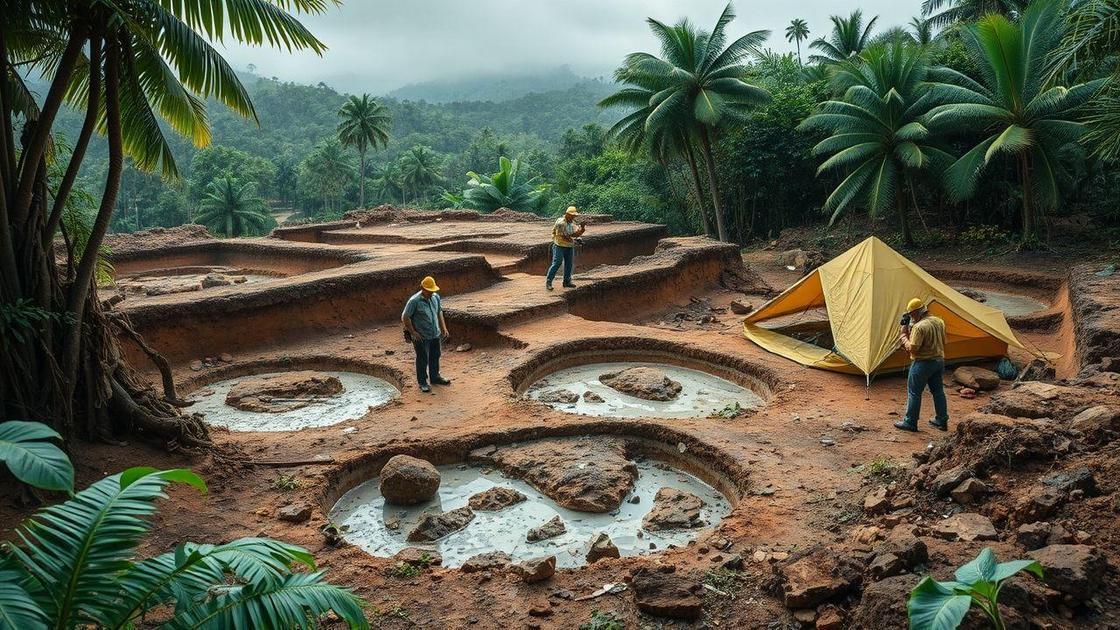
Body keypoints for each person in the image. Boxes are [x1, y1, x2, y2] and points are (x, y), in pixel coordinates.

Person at [894, 297, 949, 432]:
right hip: (939, 361)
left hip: (923, 363)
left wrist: (903, 335)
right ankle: (942, 420)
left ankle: (910, 422)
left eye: (911, 314)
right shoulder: (939, 321)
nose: (911, 317)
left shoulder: (919, 327)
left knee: (914, 392)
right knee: (938, 391)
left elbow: (913, 348)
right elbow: (944, 341)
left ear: (917, 312)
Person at [401, 276, 451, 393]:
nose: (431, 293)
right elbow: (405, 317)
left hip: (435, 334)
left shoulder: (435, 297)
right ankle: (422, 382)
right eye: (429, 291)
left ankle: (435, 377)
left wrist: (443, 328)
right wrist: (413, 332)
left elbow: (439, 312)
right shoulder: (414, 301)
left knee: (435, 355)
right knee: (422, 358)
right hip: (421, 336)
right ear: (422, 288)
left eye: (432, 291)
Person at [545, 205, 586, 291]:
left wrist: (582, 229)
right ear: (567, 214)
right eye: (572, 215)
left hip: (569, 246)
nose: (573, 217)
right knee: (557, 263)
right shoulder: (561, 223)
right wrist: (576, 240)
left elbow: (575, 234)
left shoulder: (572, 222)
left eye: (574, 215)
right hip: (559, 245)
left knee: (569, 264)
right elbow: (565, 236)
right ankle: (549, 281)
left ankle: (567, 281)